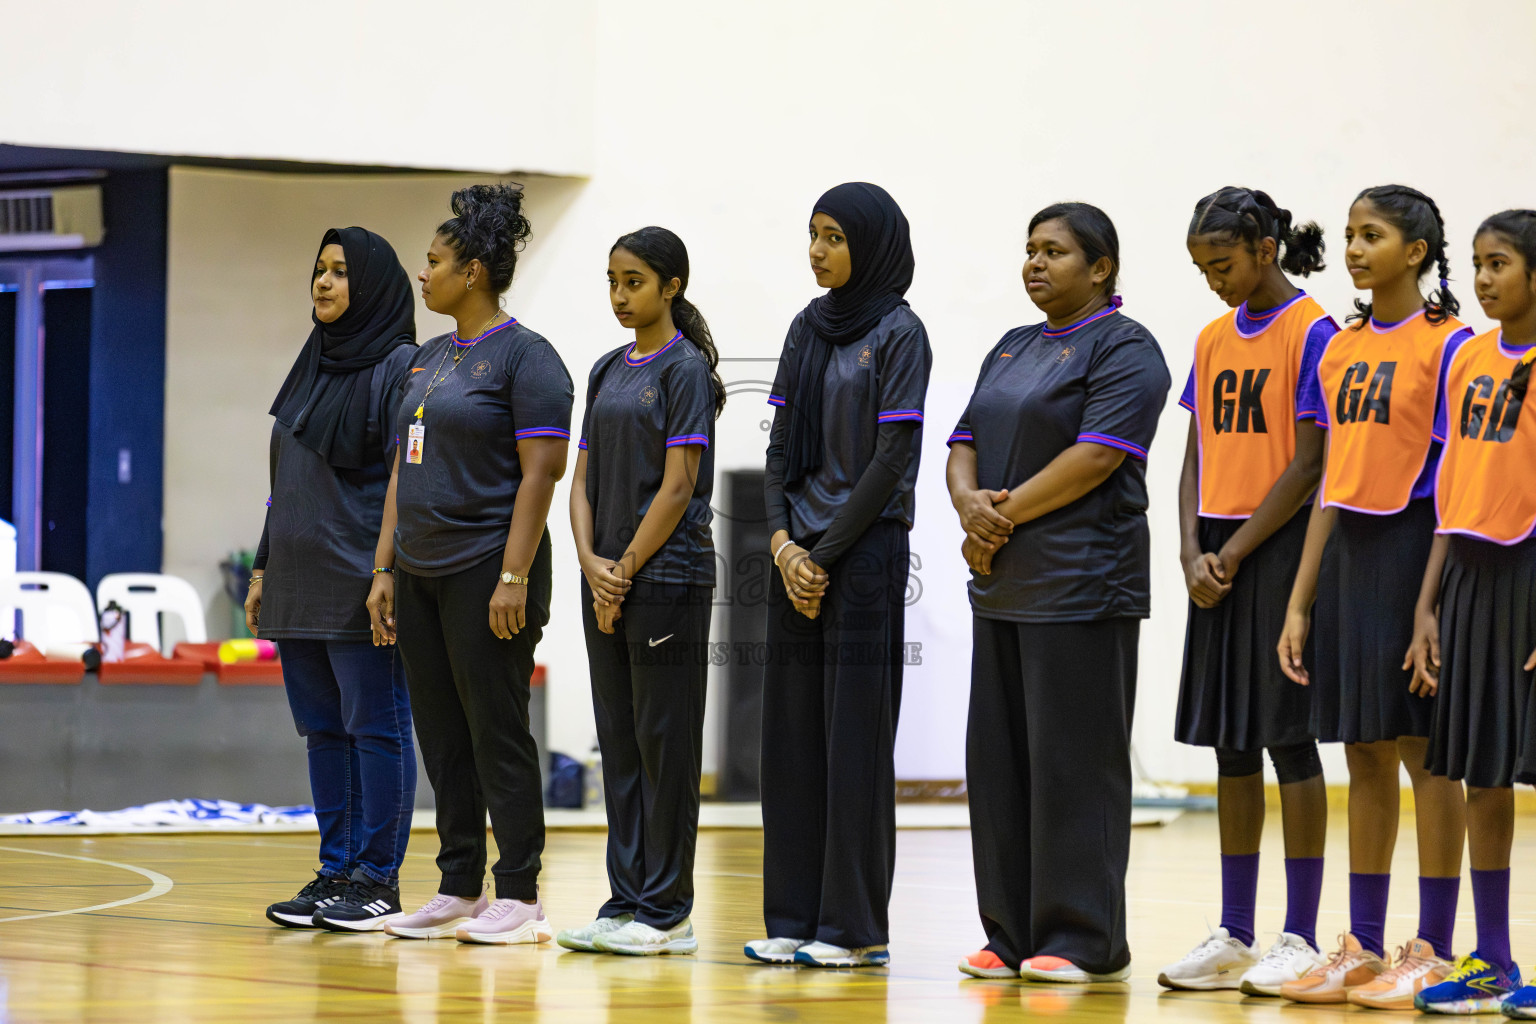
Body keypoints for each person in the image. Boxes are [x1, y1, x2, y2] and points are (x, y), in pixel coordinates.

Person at [949, 202, 1170, 983]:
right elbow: (963, 442)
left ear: (1101, 267)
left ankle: (1084, 940)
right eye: (1030, 250)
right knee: (1001, 765)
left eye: (1056, 252)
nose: (1035, 264)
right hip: (1003, 586)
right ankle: (1009, 933)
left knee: (1075, 767)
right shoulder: (1010, 348)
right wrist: (969, 504)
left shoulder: (1126, 347)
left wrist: (997, 513)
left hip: (1084, 586)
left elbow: (1097, 458)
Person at [1277, 184, 1471, 1007]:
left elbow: (1459, 477)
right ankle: (1359, 943)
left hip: (1419, 549)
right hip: (1350, 558)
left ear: (1416, 252)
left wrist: (1429, 603)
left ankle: (1432, 944)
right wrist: (1299, 597)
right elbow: (1326, 483)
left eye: (1373, 235)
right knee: (1360, 750)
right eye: (1351, 235)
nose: (1354, 250)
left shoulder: (1451, 345)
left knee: (1424, 754)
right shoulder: (1339, 348)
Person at [367, 184, 574, 944]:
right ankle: (458, 886)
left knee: (496, 729)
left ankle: (518, 893)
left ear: (474, 272)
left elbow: (540, 476)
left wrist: (513, 576)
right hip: (418, 572)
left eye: (434, 262)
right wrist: (385, 568)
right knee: (443, 732)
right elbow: (401, 469)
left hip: (489, 569)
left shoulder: (529, 358)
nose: (424, 276)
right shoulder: (426, 361)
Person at [748, 182, 931, 969]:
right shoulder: (806, 327)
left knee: (852, 740)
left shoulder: (900, 332)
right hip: (801, 558)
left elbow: (893, 460)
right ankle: (793, 916)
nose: (817, 249)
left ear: (872, 243)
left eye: (833, 236)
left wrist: (820, 555)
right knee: (789, 739)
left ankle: (854, 929)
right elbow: (779, 449)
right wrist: (786, 546)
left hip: (863, 554)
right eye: (812, 234)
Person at [1157, 188, 1334, 994]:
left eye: (1221, 264)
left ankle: (1299, 933)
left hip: (1278, 549)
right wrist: (1193, 546)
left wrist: (1234, 549)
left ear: (1265, 249)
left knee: (1288, 741)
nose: (1213, 282)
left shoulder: (1316, 332)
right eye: (1201, 269)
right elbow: (1194, 451)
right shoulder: (1211, 337)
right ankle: (1233, 931)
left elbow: (1309, 463)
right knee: (1231, 744)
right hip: (1218, 554)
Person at [558, 226, 724, 957]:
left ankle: (669, 912)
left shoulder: (685, 371)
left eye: (634, 282)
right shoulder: (603, 369)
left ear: (671, 287)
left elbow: (679, 484)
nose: (620, 296)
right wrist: (591, 562)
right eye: (613, 282)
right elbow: (581, 480)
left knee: (666, 746)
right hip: (608, 580)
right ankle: (625, 902)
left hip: (667, 581)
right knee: (620, 746)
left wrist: (620, 569)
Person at [251, 226, 418, 932]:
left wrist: (385, 569)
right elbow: (284, 478)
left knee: (375, 728)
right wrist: (263, 564)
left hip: (359, 578)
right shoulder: (312, 361)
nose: (323, 282)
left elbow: (404, 480)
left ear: (373, 285)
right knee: (324, 730)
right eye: (318, 269)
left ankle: (378, 878)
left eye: (341, 271)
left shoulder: (398, 367)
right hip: (296, 579)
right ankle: (336, 871)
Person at [1408, 210, 1536, 1015]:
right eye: (1480, 265)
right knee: (1483, 777)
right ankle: (1492, 960)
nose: (1484, 279)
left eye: (1501, 264)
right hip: (1471, 583)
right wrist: (1427, 604)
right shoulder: (1469, 358)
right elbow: (1452, 493)